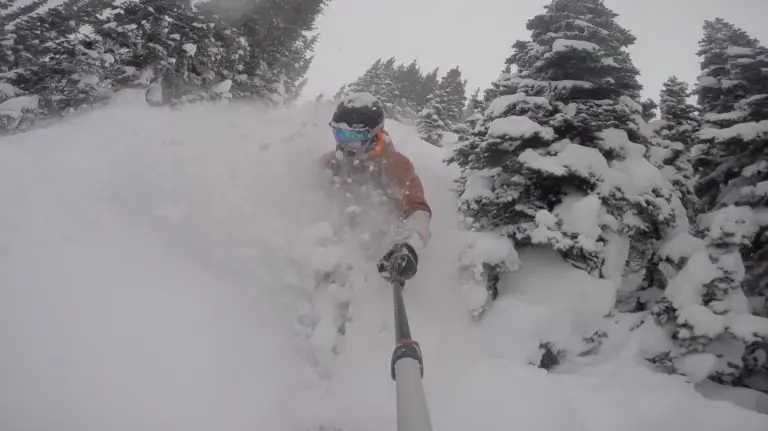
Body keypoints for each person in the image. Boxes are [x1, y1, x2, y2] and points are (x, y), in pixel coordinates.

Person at [320, 93, 432, 282]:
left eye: (353, 138)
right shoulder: (333, 161)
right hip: (335, 241)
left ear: (374, 136)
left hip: (378, 248)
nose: (345, 146)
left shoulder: (395, 165)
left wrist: (409, 246)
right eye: (339, 134)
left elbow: (417, 209)